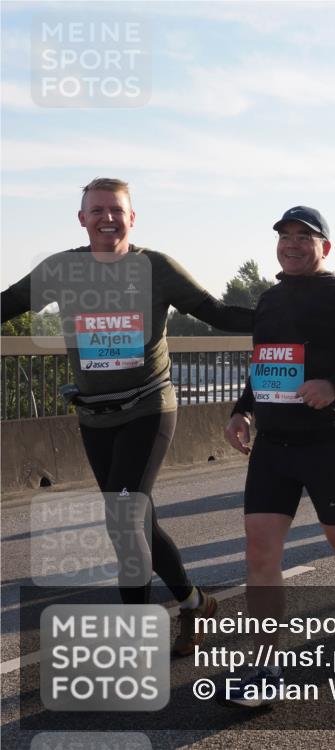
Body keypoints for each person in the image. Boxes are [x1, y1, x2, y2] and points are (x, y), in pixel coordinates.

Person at [0, 178, 254, 654]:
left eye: (116, 210)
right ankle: (196, 602)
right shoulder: (62, 269)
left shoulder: (155, 267)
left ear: (132, 218)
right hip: (95, 417)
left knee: (122, 516)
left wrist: (283, 316)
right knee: (139, 522)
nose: (107, 218)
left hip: (149, 405)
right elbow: (7, 304)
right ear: (82, 219)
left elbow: (215, 312)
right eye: (97, 210)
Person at [221, 206, 335, 706]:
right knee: (260, 553)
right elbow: (264, 366)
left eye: (304, 237)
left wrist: (333, 383)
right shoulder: (269, 299)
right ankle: (265, 666)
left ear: (324, 248)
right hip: (273, 446)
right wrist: (242, 411)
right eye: (285, 236)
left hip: (328, 443)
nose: (292, 244)